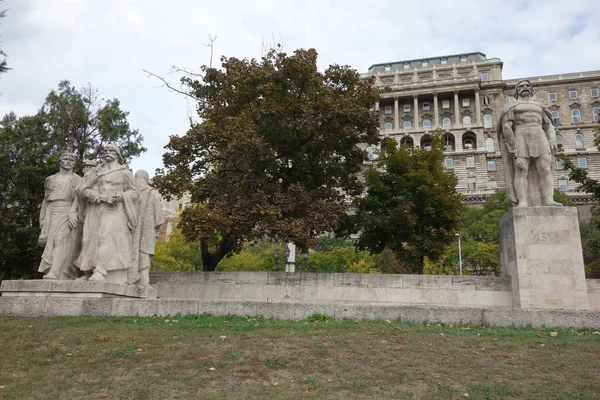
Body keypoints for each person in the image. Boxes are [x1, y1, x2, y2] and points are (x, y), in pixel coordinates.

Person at [75, 144, 138, 283]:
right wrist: (89, 193)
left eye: (111, 150)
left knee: (104, 235)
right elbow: (80, 189)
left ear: (117, 154)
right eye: (105, 151)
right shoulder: (96, 172)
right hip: (95, 210)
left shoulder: (124, 173)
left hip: (113, 209)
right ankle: (88, 271)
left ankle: (100, 269)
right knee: (88, 240)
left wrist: (122, 196)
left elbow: (134, 193)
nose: (108, 152)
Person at [498, 80, 561, 207]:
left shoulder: (539, 106)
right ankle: (523, 201)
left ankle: (548, 200)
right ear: (516, 91)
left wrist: (553, 139)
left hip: (539, 136)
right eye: (521, 86)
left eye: (527, 85)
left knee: (545, 169)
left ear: (531, 89)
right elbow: (506, 126)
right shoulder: (512, 106)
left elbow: (548, 126)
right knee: (521, 171)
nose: (524, 87)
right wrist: (512, 148)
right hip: (521, 135)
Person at [38, 153, 82, 280]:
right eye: (65, 159)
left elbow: (79, 200)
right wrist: (42, 221)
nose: (67, 162)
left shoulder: (77, 179)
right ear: (60, 161)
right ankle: (55, 271)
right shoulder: (50, 179)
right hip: (51, 212)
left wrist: (74, 213)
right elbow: (45, 201)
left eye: (71, 160)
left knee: (60, 239)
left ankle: (55, 272)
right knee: (49, 244)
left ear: (74, 163)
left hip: (67, 211)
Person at [131, 170, 165, 287]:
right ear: (146, 178)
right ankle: (143, 282)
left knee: (134, 253)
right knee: (144, 254)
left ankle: (137, 281)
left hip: (131, 228)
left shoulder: (130, 191)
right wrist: (157, 230)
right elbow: (159, 216)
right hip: (147, 229)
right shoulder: (153, 193)